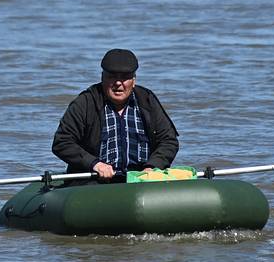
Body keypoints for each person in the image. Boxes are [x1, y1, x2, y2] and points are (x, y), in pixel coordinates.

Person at [52, 48, 179, 181]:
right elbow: (62, 142)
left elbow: (169, 141)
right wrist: (94, 164)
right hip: (93, 181)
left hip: (140, 180)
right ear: (102, 78)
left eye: (125, 77)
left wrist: (153, 167)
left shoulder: (147, 101)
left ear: (134, 80)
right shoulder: (85, 102)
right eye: (112, 76)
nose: (118, 83)